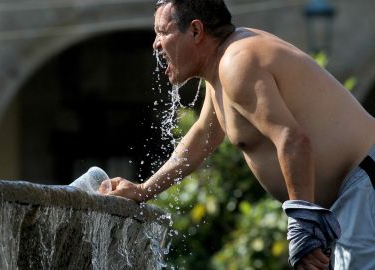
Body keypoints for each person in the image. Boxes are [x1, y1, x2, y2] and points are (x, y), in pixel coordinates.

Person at [99, 0, 375, 269]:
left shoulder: (237, 63)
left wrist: (303, 224)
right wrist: (144, 189)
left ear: (196, 31)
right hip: (353, 194)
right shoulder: (224, 64)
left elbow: (292, 139)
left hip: (363, 184)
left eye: (162, 32)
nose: (156, 44)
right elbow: (201, 139)